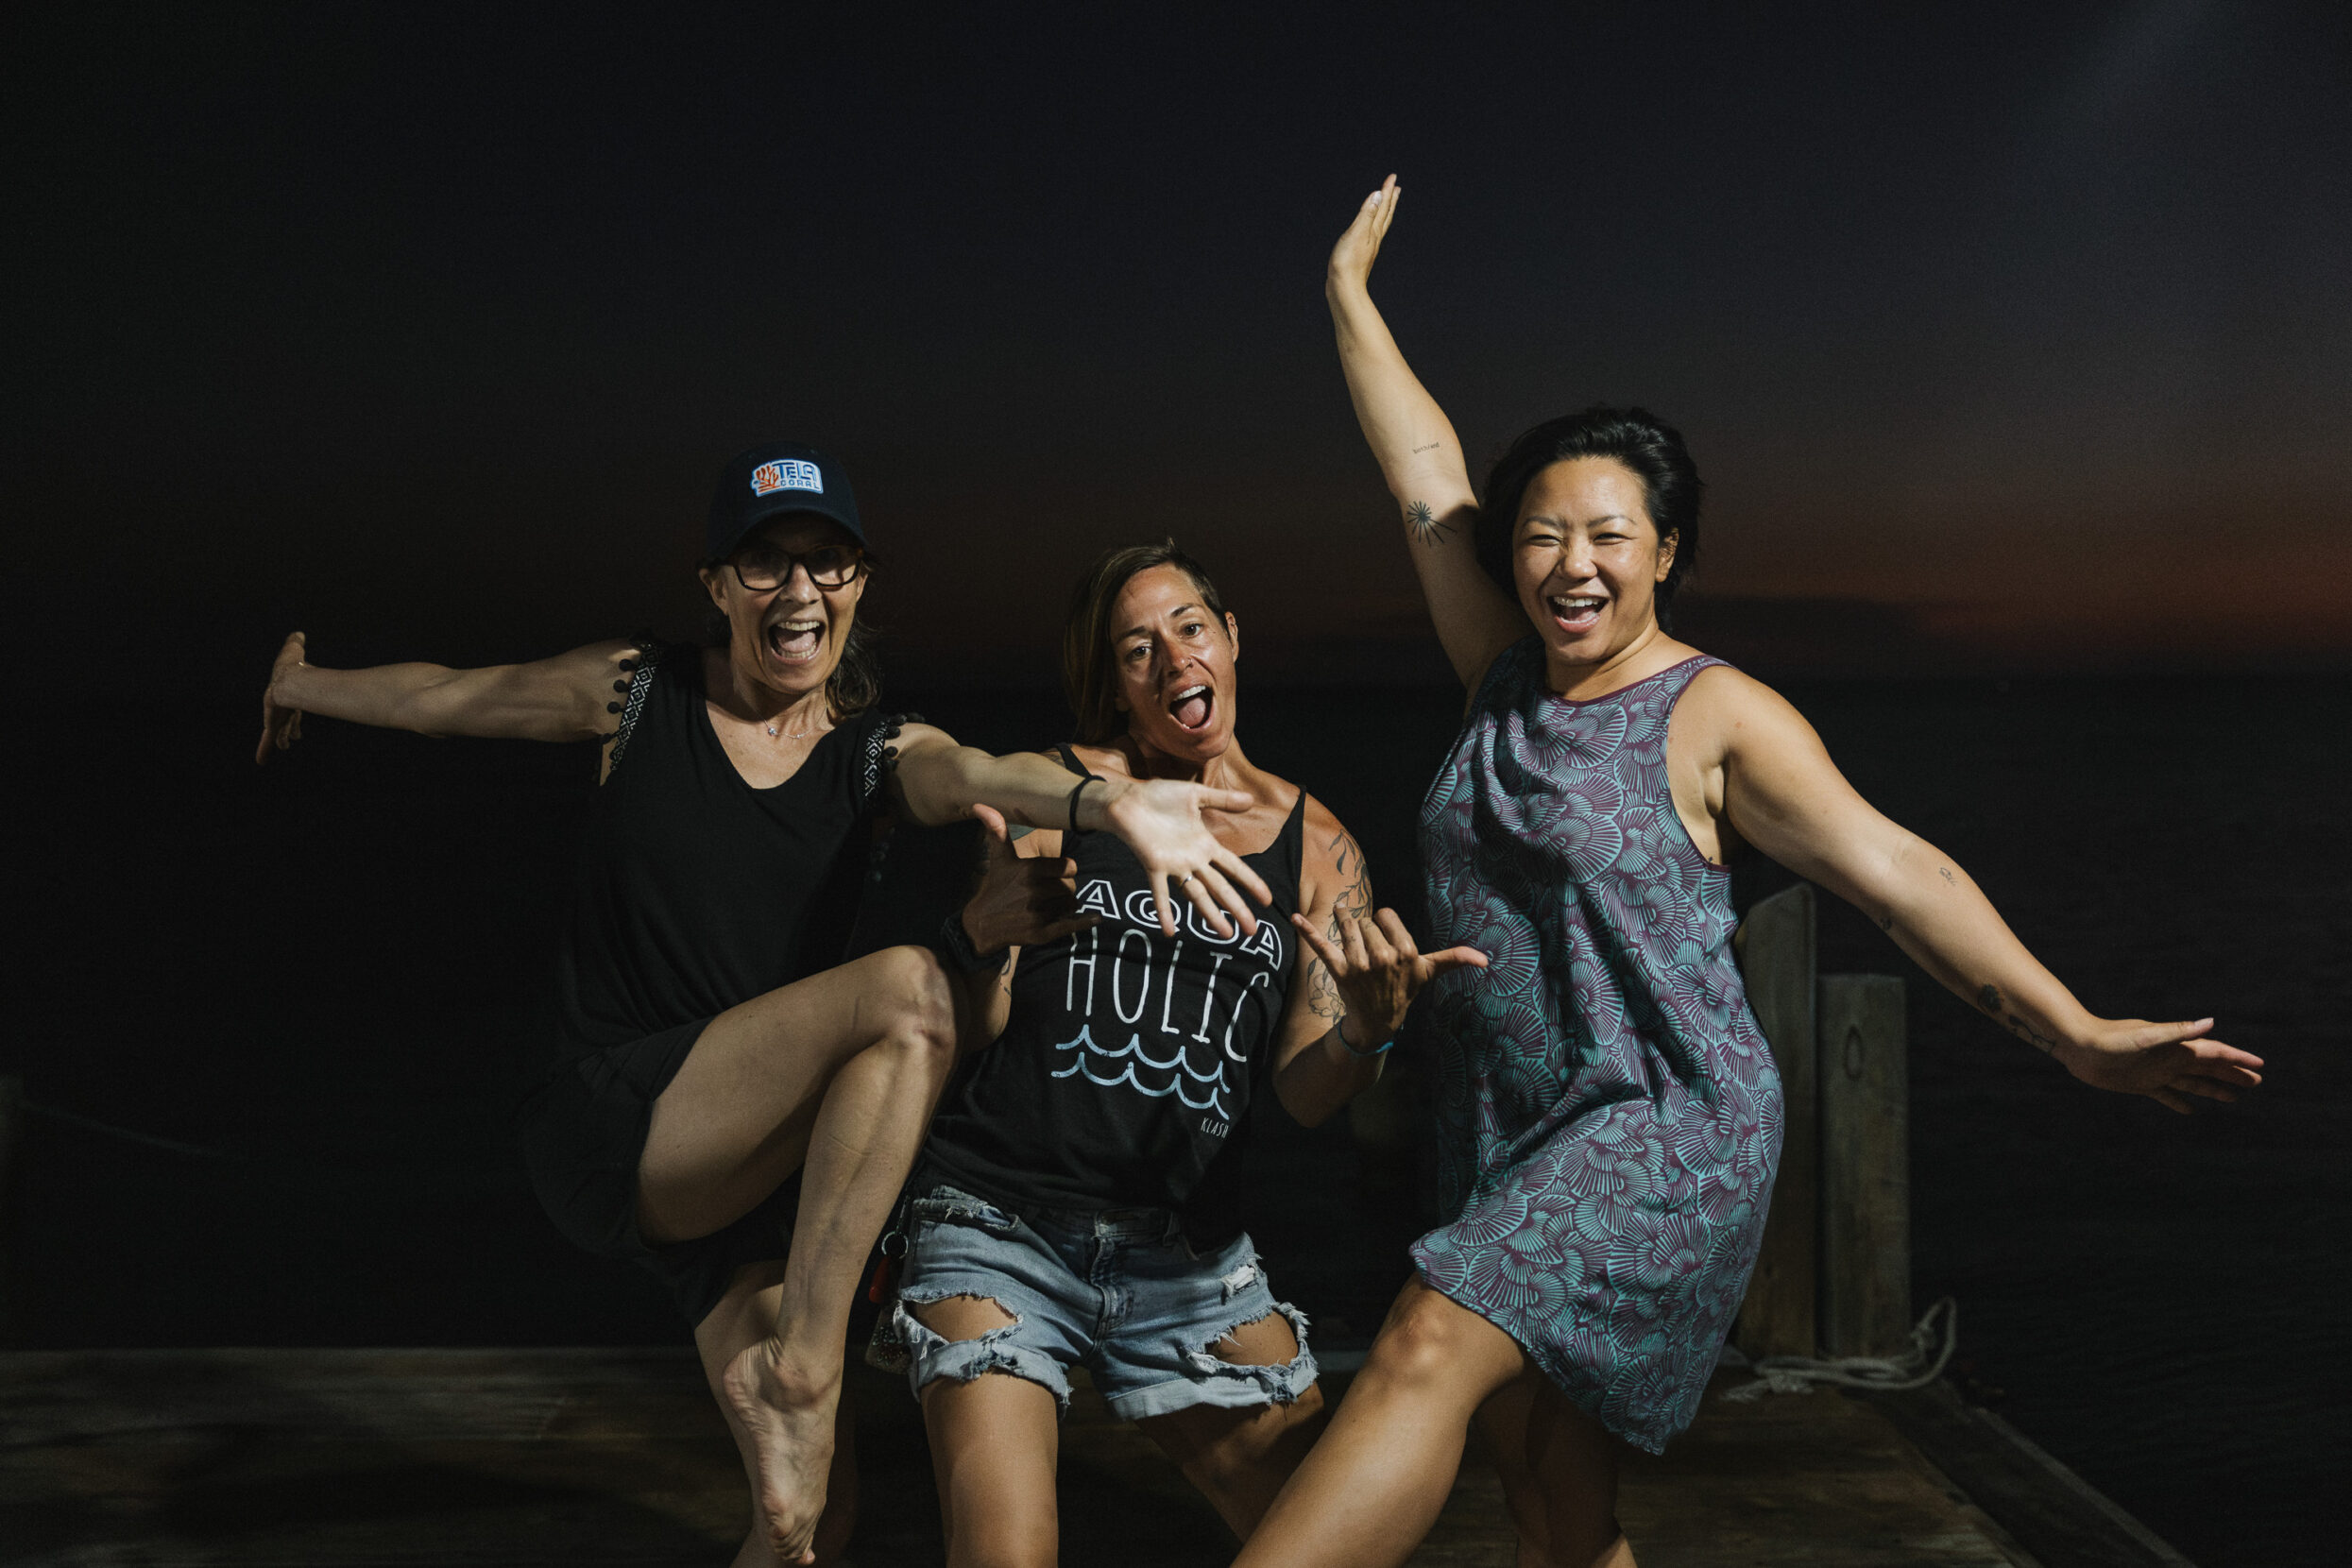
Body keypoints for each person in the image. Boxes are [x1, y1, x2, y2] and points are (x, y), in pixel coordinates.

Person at [1221, 180, 2272, 1568]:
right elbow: (1424, 479)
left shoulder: (1718, 717)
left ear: (1666, 553)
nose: (1569, 563)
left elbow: (1901, 873)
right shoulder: (1499, 679)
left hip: (1659, 1127)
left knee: (1423, 1339)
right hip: (1505, 1129)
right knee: (1551, 1495)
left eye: (1607, 535)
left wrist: (2074, 1034)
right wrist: (1347, 298)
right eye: (1539, 534)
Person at [254, 442, 1277, 1567]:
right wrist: (304, 686)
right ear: (716, 585)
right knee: (912, 989)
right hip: (610, 1118)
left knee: (803, 1525)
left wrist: (1107, 802)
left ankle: (797, 1386)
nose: (800, 591)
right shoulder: (638, 693)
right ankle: (806, 1361)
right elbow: (449, 697)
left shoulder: (873, 755)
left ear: (860, 584)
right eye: (766, 563)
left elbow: (979, 772)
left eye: (828, 563)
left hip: (748, 1183)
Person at [876, 541, 1486, 1567]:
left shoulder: (1317, 844)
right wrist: (978, 934)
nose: (1171, 661)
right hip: (999, 1225)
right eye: (1135, 649)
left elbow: (1302, 1090)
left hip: (1192, 1263)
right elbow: (973, 1029)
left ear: (1231, 638)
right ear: (1116, 686)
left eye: (1188, 628)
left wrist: (1370, 1028)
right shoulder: (1063, 796)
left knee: (1332, 1538)